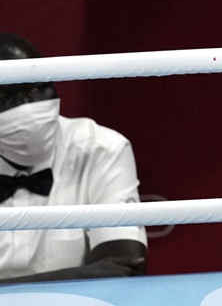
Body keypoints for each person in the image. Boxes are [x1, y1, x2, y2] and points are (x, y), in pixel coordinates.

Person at [0, 33, 146, 283]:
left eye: (36, 89)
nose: (27, 107)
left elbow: (126, 269)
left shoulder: (101, 147)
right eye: (6, 98)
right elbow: (106, 270)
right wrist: (83, 274)